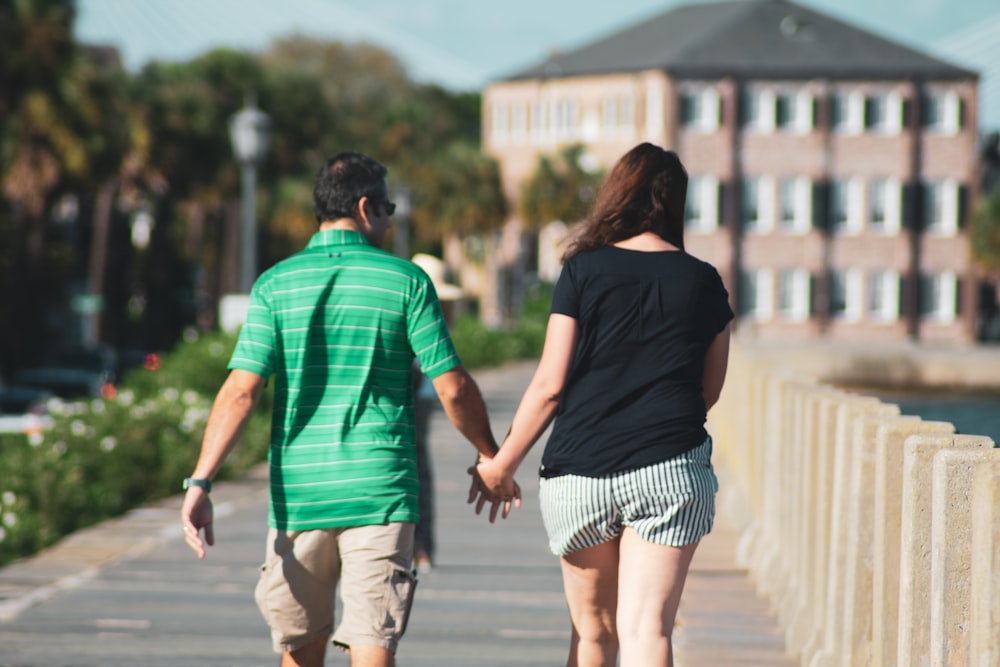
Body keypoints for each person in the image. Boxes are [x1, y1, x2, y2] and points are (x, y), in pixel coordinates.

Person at [180, 151, 516, 667]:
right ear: (365, 208)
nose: (388, 220)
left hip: (300, 495)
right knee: (372, 646)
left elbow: (241, 391)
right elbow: (453, 387)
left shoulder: (275, 284)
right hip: (380, 491)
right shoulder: (406, 282)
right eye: (389, 208)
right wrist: (491, 457)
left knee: (301, 650)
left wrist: (201, 481)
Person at [473, 143, 733, 667]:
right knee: (648, 632)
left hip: (580, 472)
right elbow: (709, 390)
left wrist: (502, 464)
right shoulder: (703, 280)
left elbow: (549, 384)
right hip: (669, 469)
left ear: (618, 195)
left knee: (594, 635)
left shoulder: (582, 270)